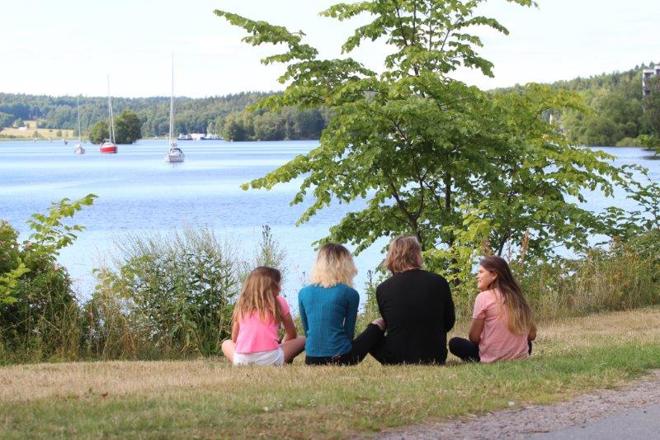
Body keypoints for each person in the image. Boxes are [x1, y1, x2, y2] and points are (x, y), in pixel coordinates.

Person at [370, 235, 456, 364]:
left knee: (371, 333)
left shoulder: (383, 288)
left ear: (392, 256)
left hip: (397, 357)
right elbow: (449, 322)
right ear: (417, 254)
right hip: (435, 356)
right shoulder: (439, 281)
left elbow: (389, 323)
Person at [298, 243, 386, 365]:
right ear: (345, 266)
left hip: (311, 358)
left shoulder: (303, 293)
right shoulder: (350, 293)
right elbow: (349, 333)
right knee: (377, 325)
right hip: (341, 358)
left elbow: (307, 329)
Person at [449, 256, 536, 363]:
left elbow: (474, 338)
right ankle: (515, 352)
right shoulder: (517, 296)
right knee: (527, 343)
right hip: (519, 356)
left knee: (455, 343)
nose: (477, 276)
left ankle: (492, 354)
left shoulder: (483, 297)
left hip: (491, 358)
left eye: (481, 272)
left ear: (494, 275)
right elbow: (532, 336)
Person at [221, 266, 305, 366]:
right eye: (278, 284)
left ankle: (241, 361)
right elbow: (292, 334)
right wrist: (282, 344)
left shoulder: (241, 304)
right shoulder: (279, 301)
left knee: (226, 343)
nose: (280, 288)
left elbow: (235, 339)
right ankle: (281, 359)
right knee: (303, 339)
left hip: (242, 360)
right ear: (272, 286)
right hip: (272, 359)